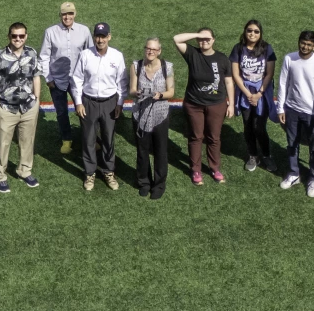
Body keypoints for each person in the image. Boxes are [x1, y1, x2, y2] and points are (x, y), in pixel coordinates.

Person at [173, 28, 235, 185]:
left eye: (208, 38)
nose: (204, 41)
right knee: (196, 136)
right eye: (201, 39)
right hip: (194, 104)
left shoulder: (222, 59)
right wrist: (197, 35)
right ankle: (196, 170)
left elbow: (228, 82)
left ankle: (214, 168)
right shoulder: (192, 54)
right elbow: (177, 39)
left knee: (214, 137)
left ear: (214, 40)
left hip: (217, 104)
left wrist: (231, 104)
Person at [71, 22, 127, 191]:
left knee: (108, 139)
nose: (100, 40)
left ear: (109, 36)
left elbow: (122, 82)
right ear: (94, 37)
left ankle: (108, 171)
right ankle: (90, 173)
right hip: (88, 102)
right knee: (88, 139)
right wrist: (78, 102)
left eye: (103, 36)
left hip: (110, 103)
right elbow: (77, 80)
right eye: (97, 36)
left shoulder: (117, 56)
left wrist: (119, 103)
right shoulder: (85, 55)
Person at [0, 22, 42, 193]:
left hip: (29, 107)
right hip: (6, 108)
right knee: (2, 145)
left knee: (27, 141)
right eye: (14, 36)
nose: (18, 39)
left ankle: (24, 171)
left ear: (26, 36)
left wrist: (37, 99)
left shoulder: (32, 53)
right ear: (9, 36)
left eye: (21, 36)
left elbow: (36, 77)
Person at [275, 30, 314, 197]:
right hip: (292, 109)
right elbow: (283, 83)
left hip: (313, 113)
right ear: (299, 42)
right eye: (303, 43)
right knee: (292, 144)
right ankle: (294, 173)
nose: (305, 46)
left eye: (309, 44)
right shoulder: (289, 58)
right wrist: (280, 108)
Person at [39, 2, 94, 155]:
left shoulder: (84, 30)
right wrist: (48, 78)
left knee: (84, 110)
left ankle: (90, 139)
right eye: (64, 14)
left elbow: (90, 54)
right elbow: (44, 56)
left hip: (79, 80)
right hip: (57, 80)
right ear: (60, 15)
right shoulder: (50, 32)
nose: (67, 17)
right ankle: (66, 139)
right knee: (61, 111)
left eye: (70, 14)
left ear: (75, 14)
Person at [129, 37, 175, 199]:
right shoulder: (136, 66)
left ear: (159, 51)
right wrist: (138, 93)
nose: (150, 52)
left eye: (154, 50)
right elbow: (131, 90)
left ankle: (159, 184)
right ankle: (144, 182)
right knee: (142, 151)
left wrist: (160, 94)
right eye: (148, 48)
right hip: (140, 114)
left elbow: (171, 92)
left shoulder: (167, 67)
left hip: (160, 115)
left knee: (160, 151)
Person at [229, 19, 277, 173]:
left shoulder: (267, 48)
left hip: (261, 92)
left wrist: (259, 94)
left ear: (260, 33)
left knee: (259, 127)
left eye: (256, 31)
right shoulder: (238, 48)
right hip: (245, 92)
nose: (252, 33)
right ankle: (253, 155)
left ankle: (267, 155)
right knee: (248, 126)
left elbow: (269, 74)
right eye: (249, 30)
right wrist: (248, 93)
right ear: (245, 31)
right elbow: (236, 74)